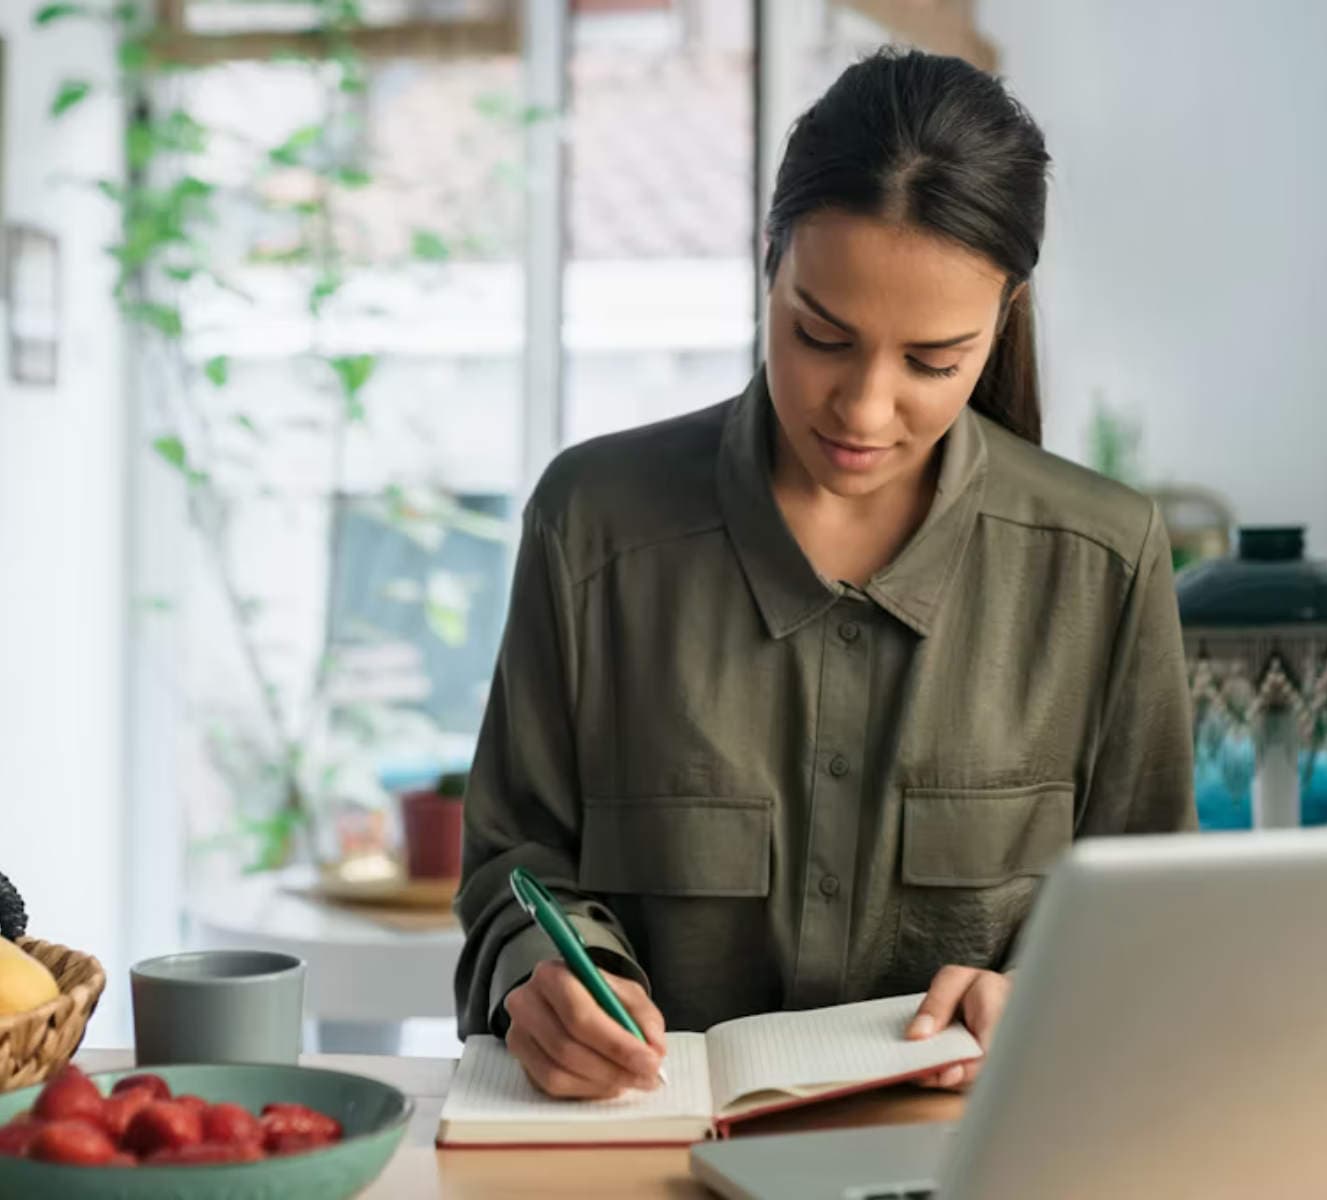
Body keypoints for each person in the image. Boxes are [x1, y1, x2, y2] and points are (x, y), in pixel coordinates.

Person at [453, 46, 1196, 1101]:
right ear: (768, 259)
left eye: (932, 361)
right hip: (639, 1152)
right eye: (820, 335)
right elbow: (512, 866)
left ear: (1005, 314)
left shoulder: (1101, 561)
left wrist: (1048, 995)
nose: (861, 409)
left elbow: (1155, 923)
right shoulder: (593, 525)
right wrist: (551, 981)